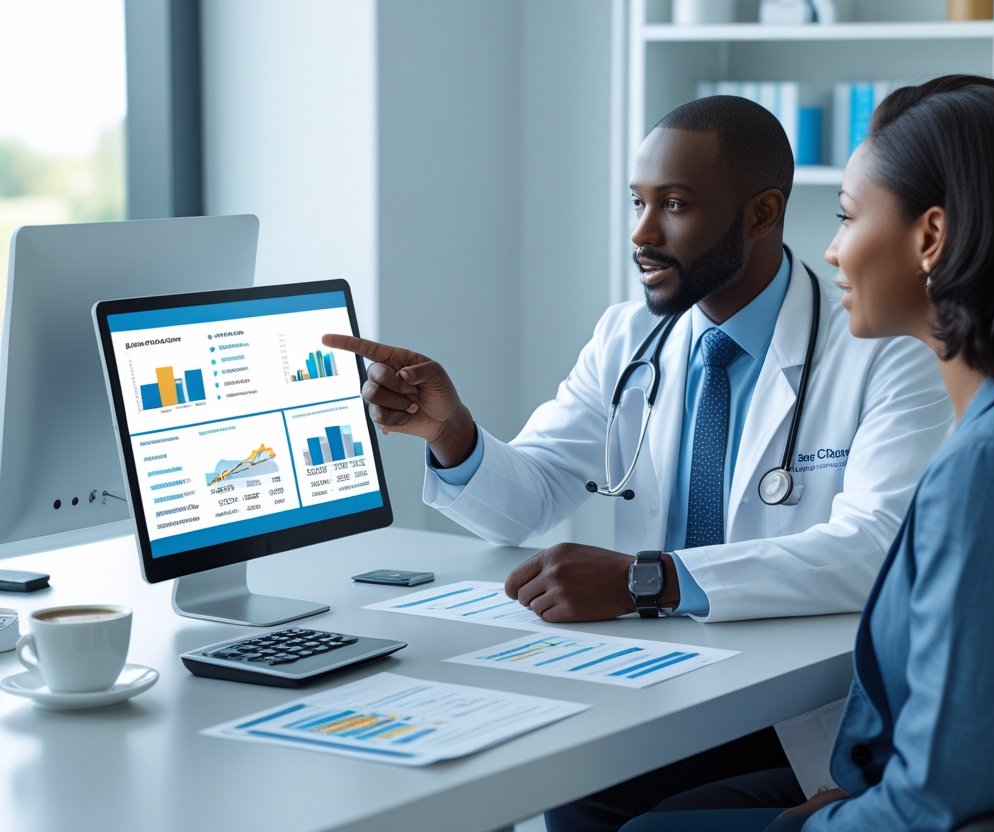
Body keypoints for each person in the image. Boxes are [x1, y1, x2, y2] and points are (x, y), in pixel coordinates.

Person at [324, 95, 952, 832]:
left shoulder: (885, 350)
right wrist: (453, 434)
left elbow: (877, 548)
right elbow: (526, 501)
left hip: (791, 718)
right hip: (651, 686)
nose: (642, 234)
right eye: (638, 202)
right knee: (551, 790)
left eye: (675, 205)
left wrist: (644, 581)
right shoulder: (628, 338)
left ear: (761, 213)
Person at [620, 74, 994, 832]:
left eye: (849, 217)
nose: (831, 249)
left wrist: (811, 825)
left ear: (932, 238)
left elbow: (933, 802)